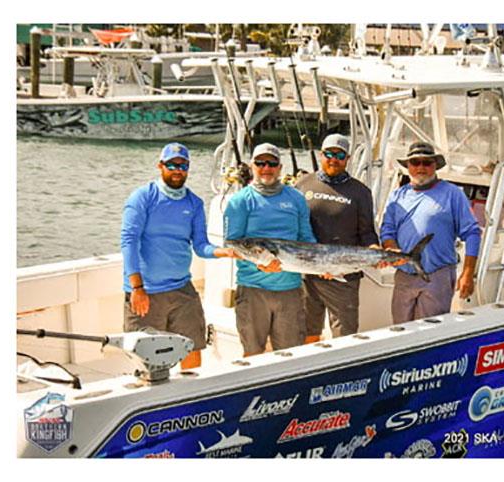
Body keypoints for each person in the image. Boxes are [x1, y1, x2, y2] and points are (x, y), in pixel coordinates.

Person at [121, 142, 233, 369]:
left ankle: (192, 399)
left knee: (192, 349)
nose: (177, 170)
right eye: (172, 165)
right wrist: (137, 288)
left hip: (182, 290)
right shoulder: (143, 197)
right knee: (146, 361)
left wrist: (223, 252)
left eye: (183, 165)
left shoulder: (194, 203)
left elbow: (201, 245)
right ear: (160, 165)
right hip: (146, 292)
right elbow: (128, 241)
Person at [225, 143, 317, 356]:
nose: (266, 168)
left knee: (290, 354)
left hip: (290, 289)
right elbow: (232, 244)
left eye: (272, 163)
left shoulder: (296, 198)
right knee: (252, 351)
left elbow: (307, 239)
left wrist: (324, 265)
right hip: (252, 289)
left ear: (280, 167)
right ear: (252, 166)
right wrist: (260, 267)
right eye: (260, 163)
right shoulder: (239, 201)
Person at [380, 141, 482, 324]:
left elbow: (472, 232)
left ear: (435, 165)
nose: (421, 167)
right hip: (404, 276)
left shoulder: (453, 194)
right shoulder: (397, 196)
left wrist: (468, 274)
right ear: (408, 166)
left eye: (426, 163)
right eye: (415, 162)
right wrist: (392, 248)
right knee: (399, 333)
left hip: (437, 276)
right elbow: (387, 230)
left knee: (429, 334)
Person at [295, 134, 380, 342]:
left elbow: (367, 232)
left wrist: (375, 249)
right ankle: (309, 370)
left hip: (344, 276)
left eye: (339, 155)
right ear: (321, 155)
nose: (334, 159)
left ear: (347, 159)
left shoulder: (361, 192)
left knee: (345, 335)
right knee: (307, 331)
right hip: (308, 274)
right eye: (329, 154)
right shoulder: (302, 185)